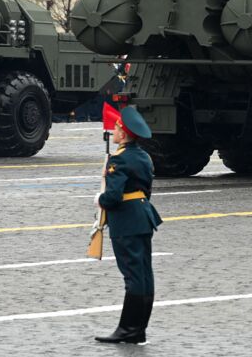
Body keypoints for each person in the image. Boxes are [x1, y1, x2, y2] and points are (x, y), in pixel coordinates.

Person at [93, 106, 162, 343]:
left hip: (126, 222)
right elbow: (147, 191)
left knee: (132, 275)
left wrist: (99, 200)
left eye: (116, 128)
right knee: (144, 274)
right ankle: (138, 328)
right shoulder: (144, 157)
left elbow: (112, 197)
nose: (113, 131)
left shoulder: (119, 160)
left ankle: (129, 329)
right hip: (143, 217)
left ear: (123, 134)